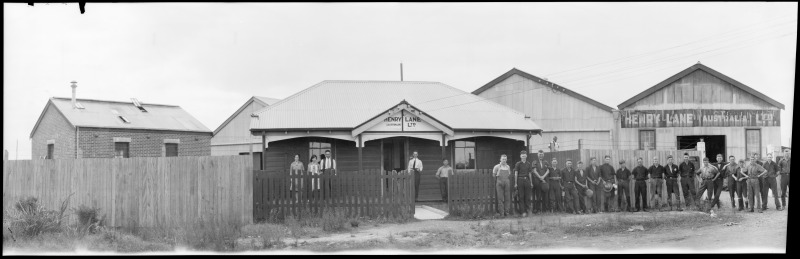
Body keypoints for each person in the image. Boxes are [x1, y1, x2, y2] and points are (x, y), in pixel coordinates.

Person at [514, 150, 534, 217]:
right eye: (522, 156)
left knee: (527, 196)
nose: (523, 157)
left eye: (524, 156)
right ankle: (523, 212)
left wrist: (531, 182)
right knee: (521, 196)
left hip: (527, 180)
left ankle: (528, 211)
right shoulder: (518, 164)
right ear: (520, 156)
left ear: (526, 156)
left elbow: (530, 174)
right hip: (520, 180)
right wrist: (516, 183)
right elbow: (516, 173)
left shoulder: (528, 164)